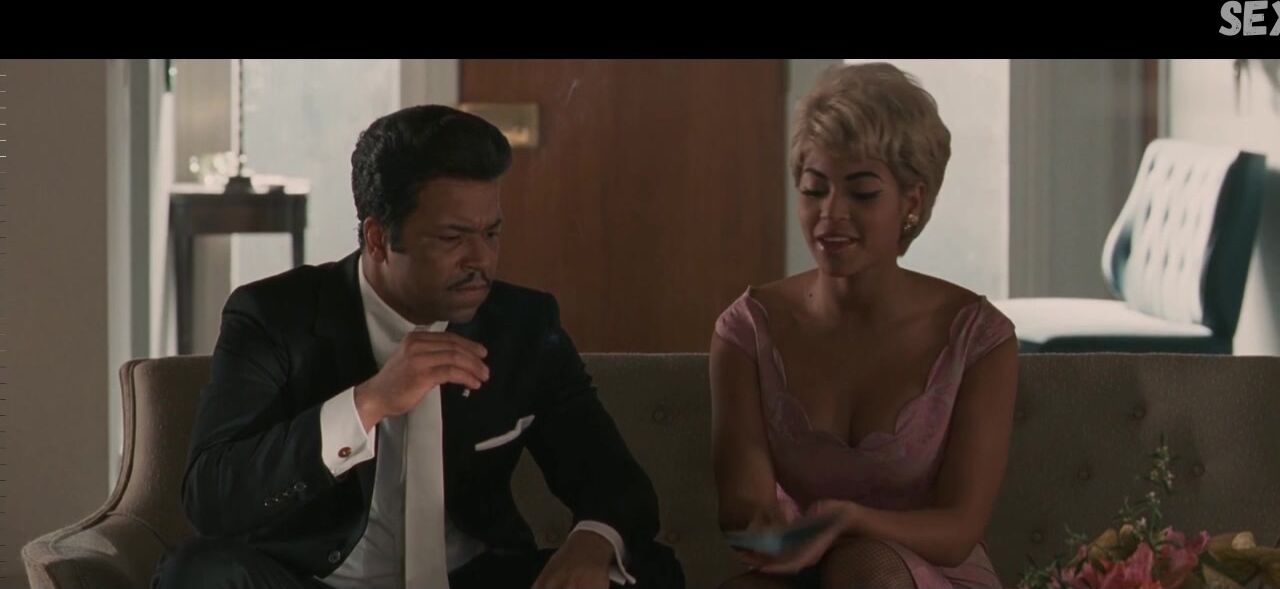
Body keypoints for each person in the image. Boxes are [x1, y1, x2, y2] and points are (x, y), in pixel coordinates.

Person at [154, 104, 684, 589]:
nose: (481, 260)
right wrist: (369, 402)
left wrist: (590, 544)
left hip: (471, 578)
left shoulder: (523, 326)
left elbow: (617, 485)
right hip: (314, 580)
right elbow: (212, 499)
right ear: (378, 239)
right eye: (453, 238)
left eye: (492, 234)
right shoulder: (274, 317)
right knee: (197, 574)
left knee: (650, 571)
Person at [710, 63, 1018, 588]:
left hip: (928, 576)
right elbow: (745, 511)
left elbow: (958, 530)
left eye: (862, 193)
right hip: (804, 570)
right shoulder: (748, 331)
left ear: (911, 202)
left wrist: (851, 521)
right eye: (815, 190)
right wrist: (768, 531)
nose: (831, 214)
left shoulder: (977, 338)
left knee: (864, 569)